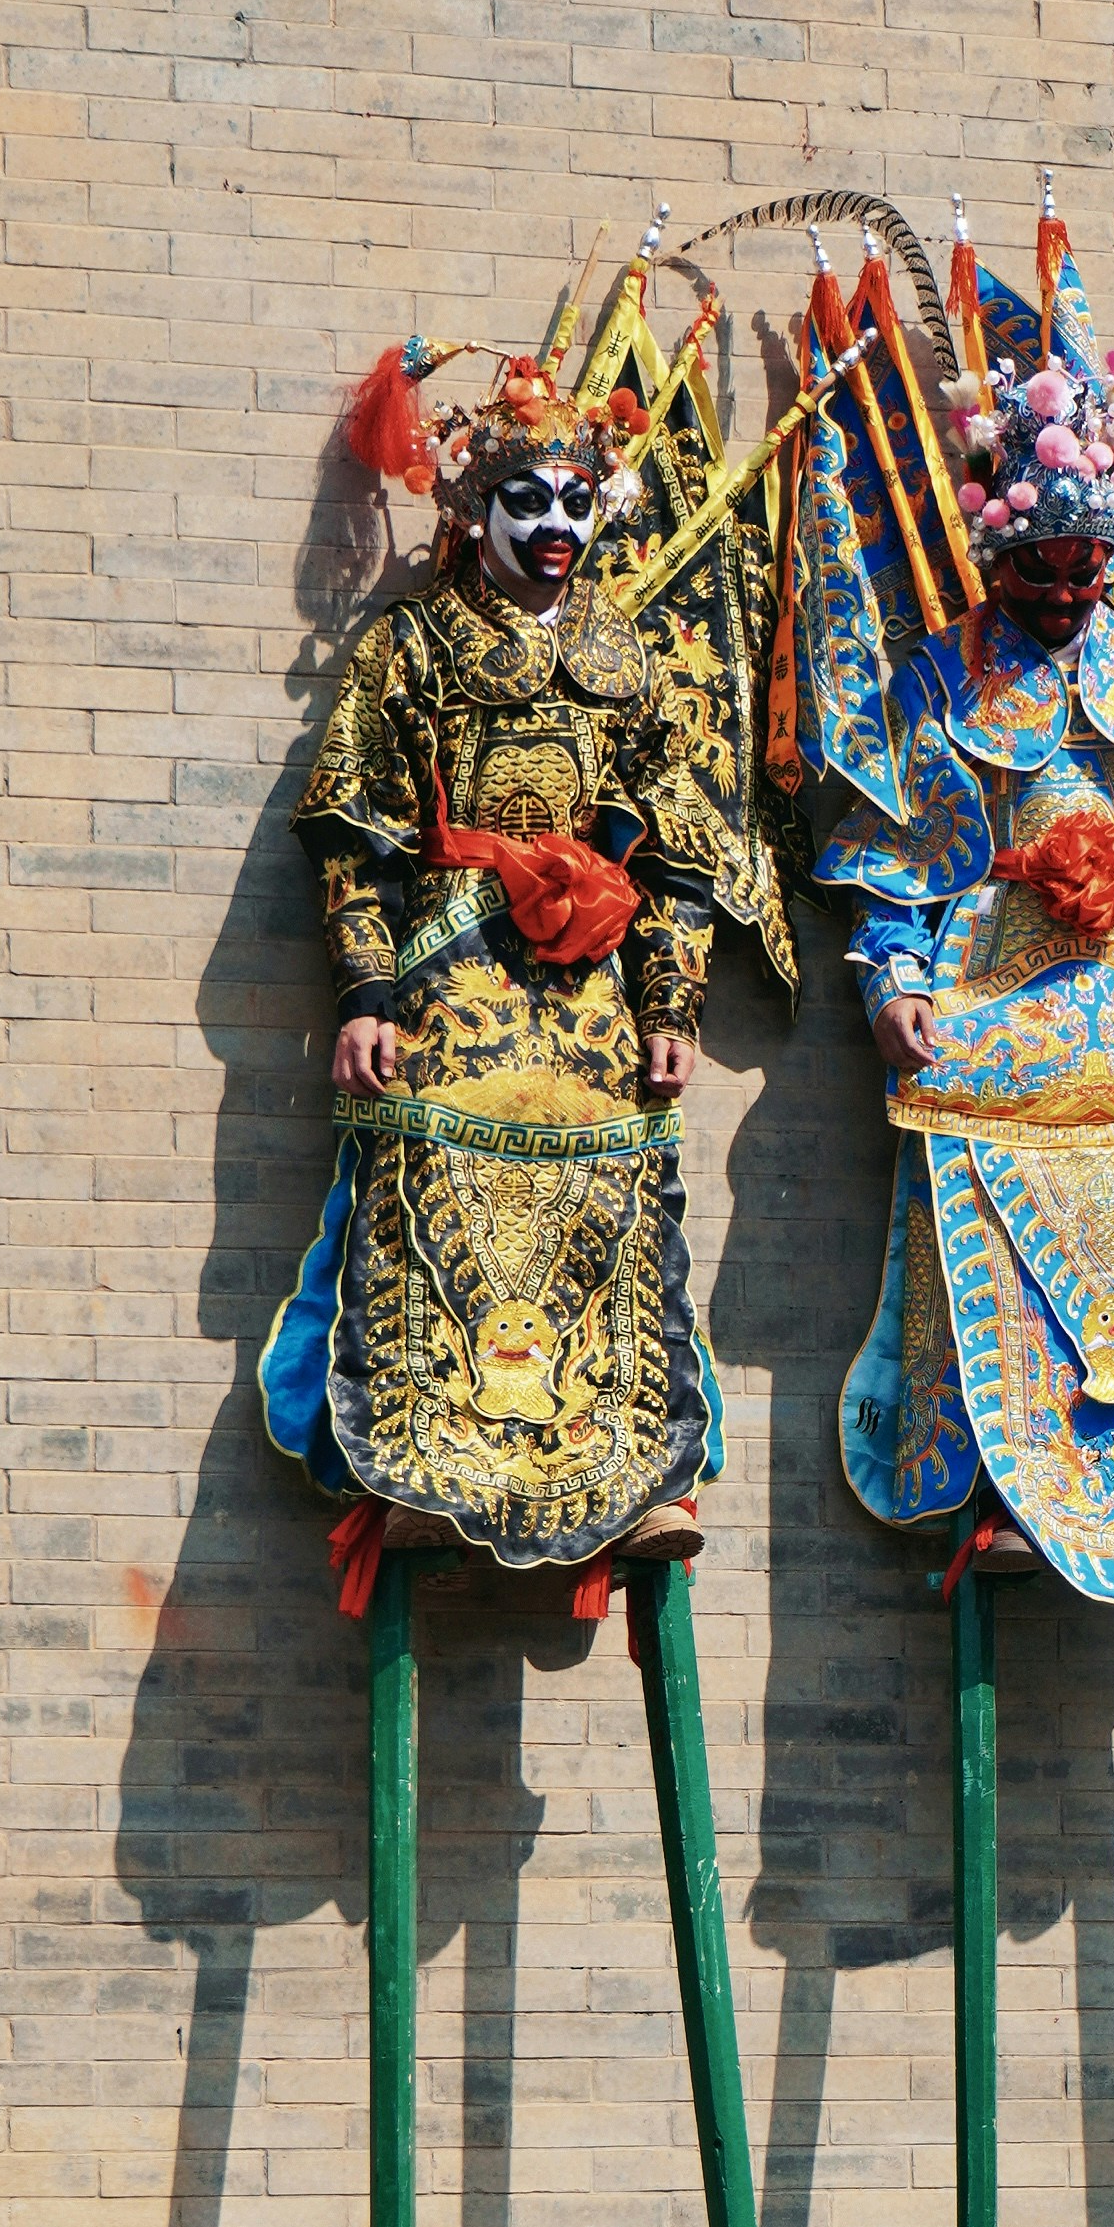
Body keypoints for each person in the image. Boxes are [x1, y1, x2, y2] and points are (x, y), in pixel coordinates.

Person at [817, 197, 1114, 1607]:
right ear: (999, 555)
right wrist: (892, 978)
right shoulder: (942, 678)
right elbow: (904, 853)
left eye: (1093, 569)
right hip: (998, 993)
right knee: (989, 1210)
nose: (1072, 593)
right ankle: (1000, 1469)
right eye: (1046, 569)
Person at [258, 330, 764, 1593]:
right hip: (450, 972)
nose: (553, 523)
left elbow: (685, 845)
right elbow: (351, 828)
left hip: (591, 991)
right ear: (473, 507)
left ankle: (634, 1477)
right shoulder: (414, 647)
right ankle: (424, 1472)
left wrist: (672, 999)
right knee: (430, 1201)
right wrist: (366, 990)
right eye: (525, 499)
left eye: (576, 501)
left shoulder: (628, 661)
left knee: (613, 1212)